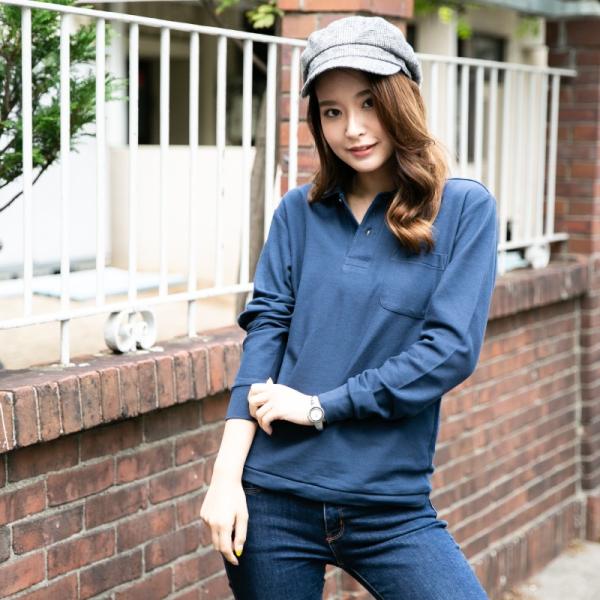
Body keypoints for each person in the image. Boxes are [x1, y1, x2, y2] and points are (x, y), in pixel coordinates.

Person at [200, 15, 497, 600]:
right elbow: (265, 340)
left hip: (390, 507)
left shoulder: (462, 209)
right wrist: (225, 478)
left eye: (368, 103)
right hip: (272, 499)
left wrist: (319, 407)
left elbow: (449, 353)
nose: (353, 129)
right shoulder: (298, 212)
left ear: (402, 101)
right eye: (332, 111)